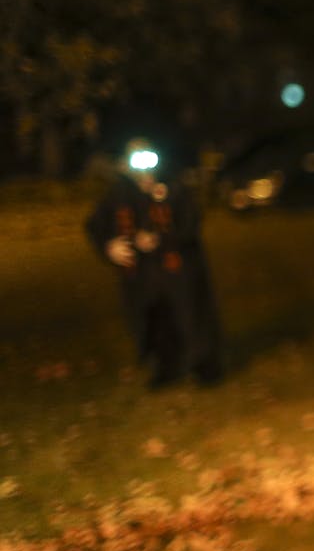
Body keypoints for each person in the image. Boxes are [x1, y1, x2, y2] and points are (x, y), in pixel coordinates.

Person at [85, 134, 224, 389]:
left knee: (191, 315)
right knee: (153, 319)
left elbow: (191, 223)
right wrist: (110, 247)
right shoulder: (118, 193)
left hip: (178, 267)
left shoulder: (174, 185)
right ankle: (166, 367)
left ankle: (204, 365)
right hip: (143, 274)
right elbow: (96, 226)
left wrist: (162, 237)